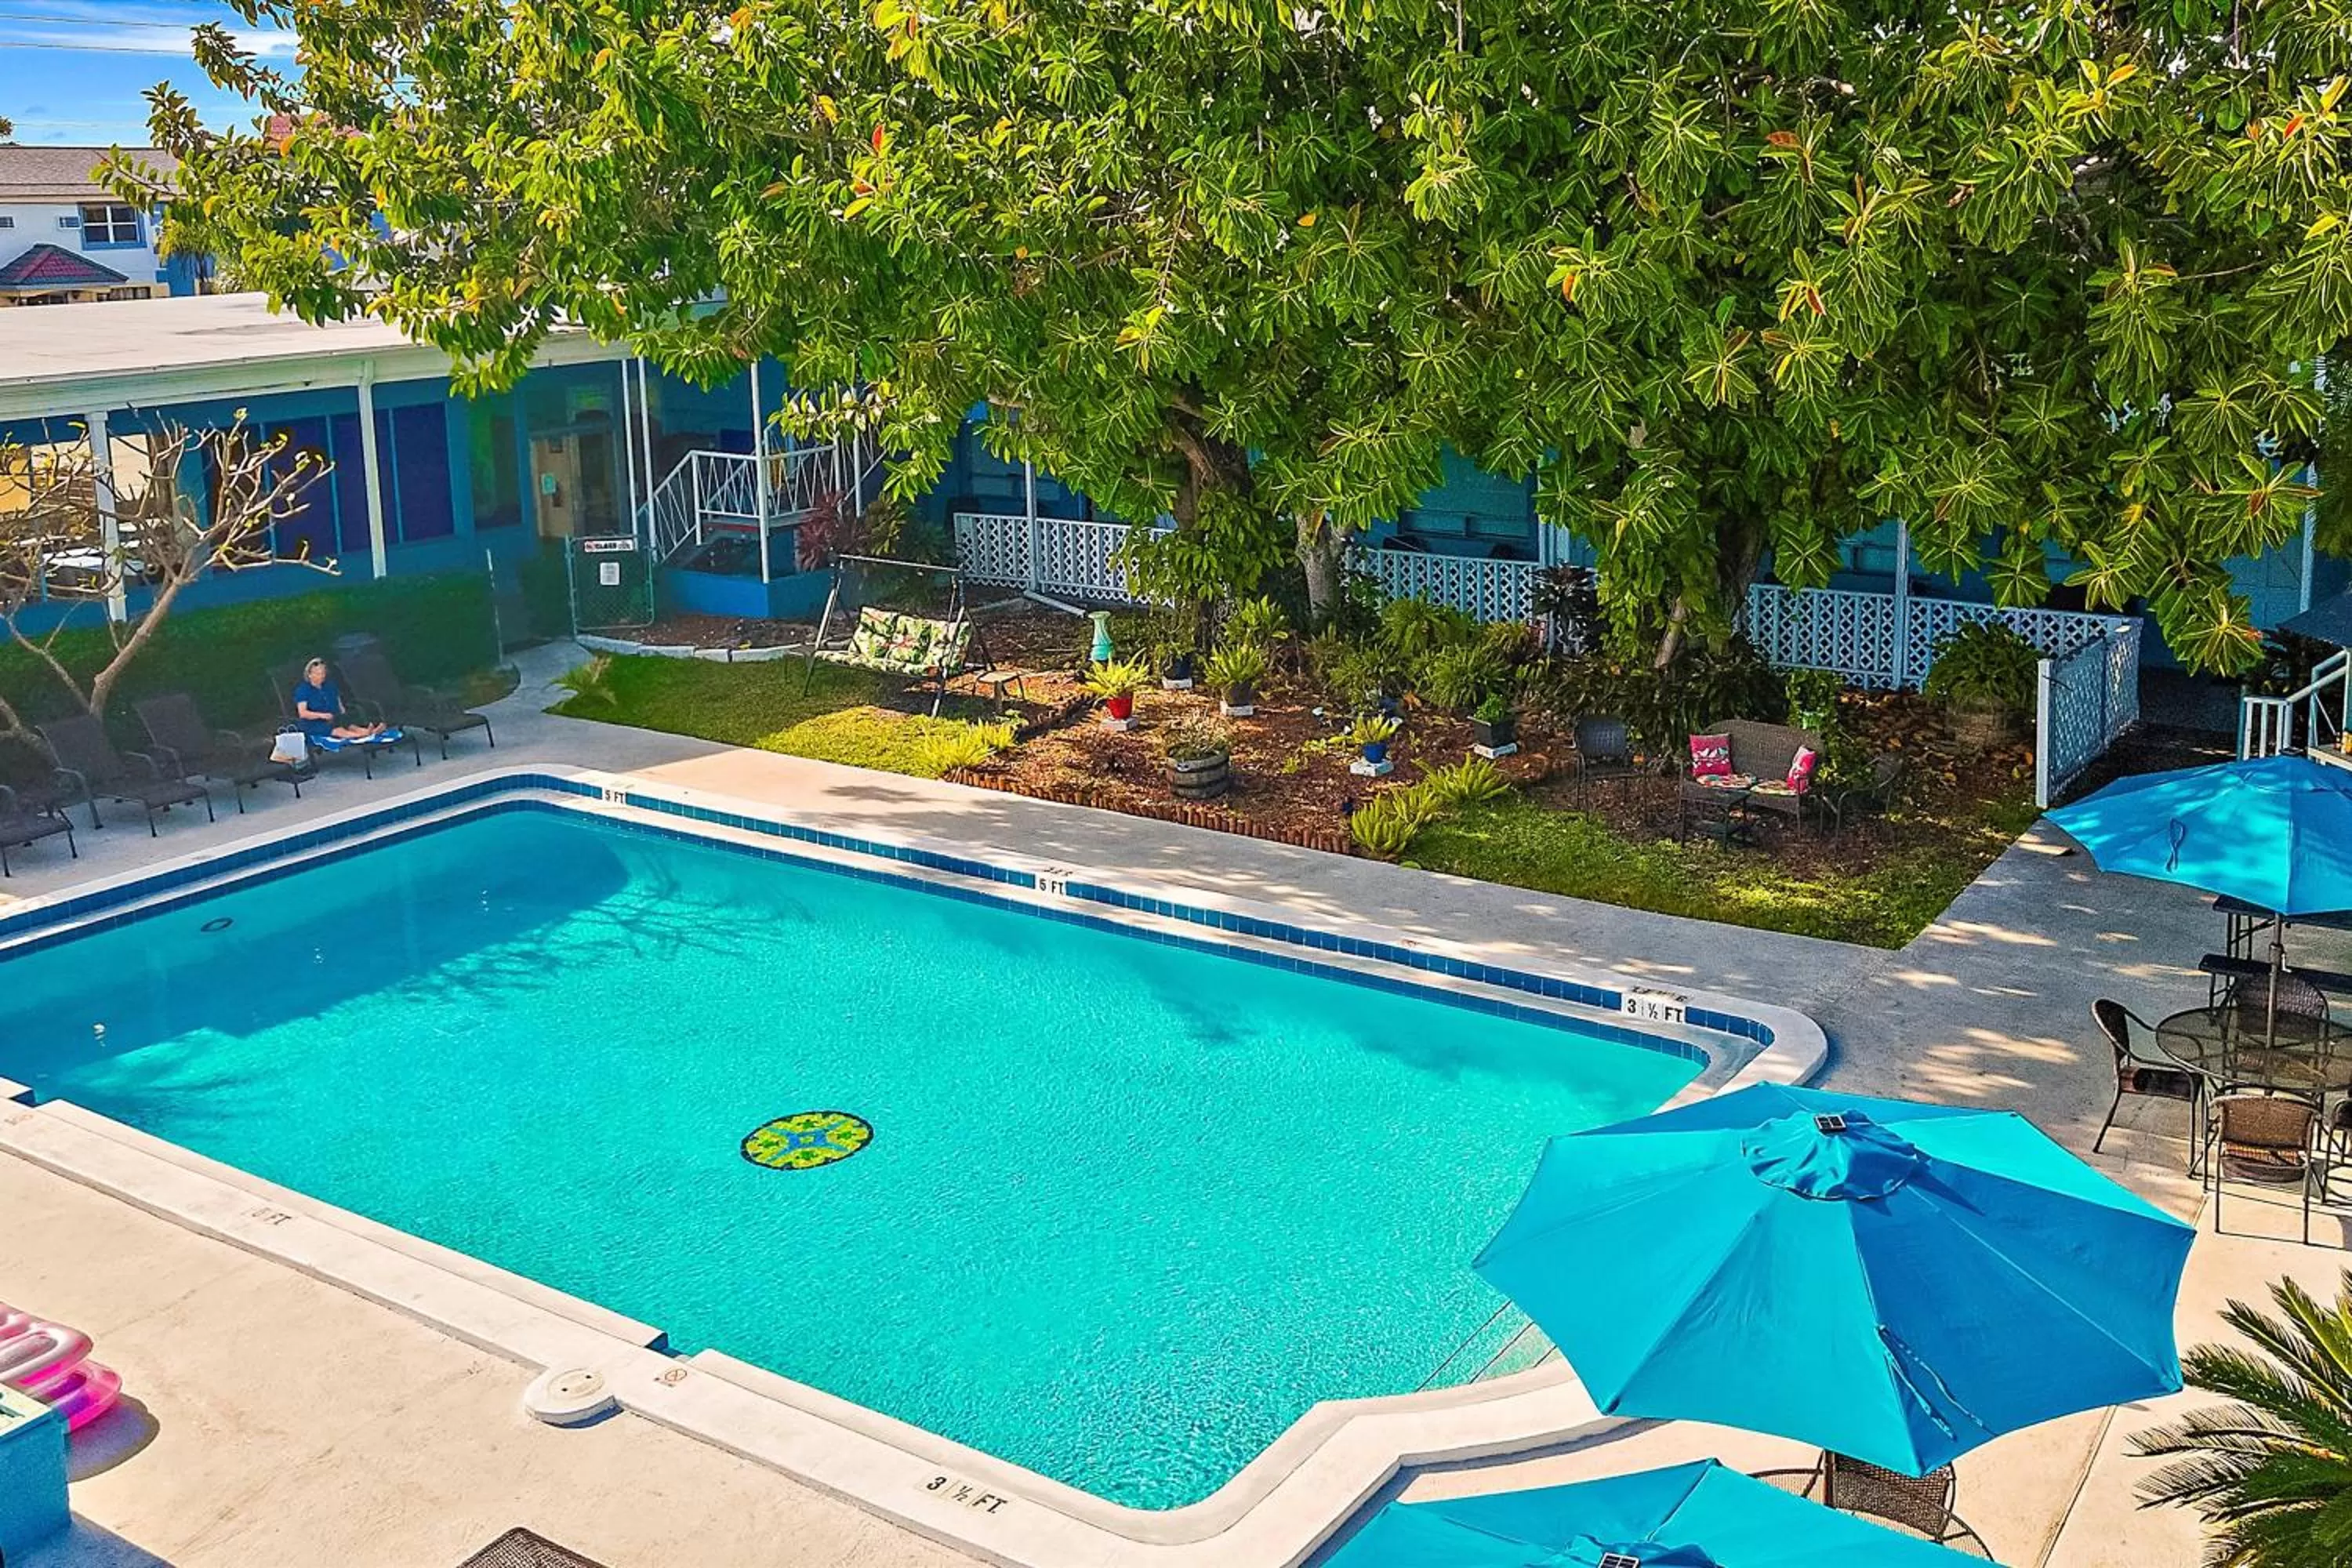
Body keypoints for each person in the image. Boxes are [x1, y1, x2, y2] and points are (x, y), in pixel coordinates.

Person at [290, 658, 386, 741]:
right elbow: (303, 713)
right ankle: (365, 735)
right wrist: (322, 715)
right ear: (310, 675)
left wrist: (342, 712)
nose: (322, 676)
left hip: (334, 717)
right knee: (338, 730)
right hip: (315, 723)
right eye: (318, 674)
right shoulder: (303, 690)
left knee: (351, 726)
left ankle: (370, 732)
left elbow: (338, 701)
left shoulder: (329, 685)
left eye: (323, 673)